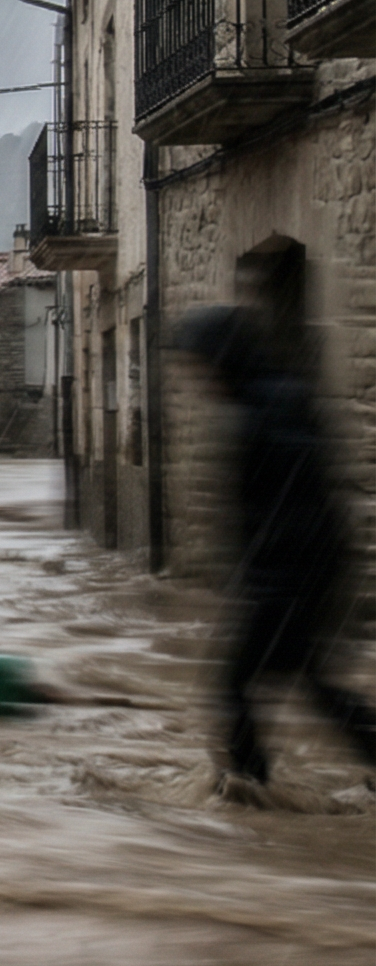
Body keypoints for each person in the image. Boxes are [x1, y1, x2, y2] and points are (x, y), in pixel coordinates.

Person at [171, 304, 376, 788]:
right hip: (298, 578)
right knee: (313, 684)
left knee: (232, 685)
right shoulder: (268, 402)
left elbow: (294, 509)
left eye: (200, 365)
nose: (198, 379)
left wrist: (269, 586)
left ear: (223, 358)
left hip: (288, 581)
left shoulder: (268, 410)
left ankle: (248, 792)